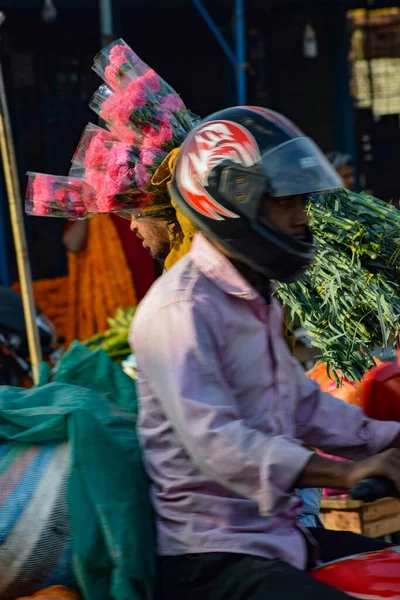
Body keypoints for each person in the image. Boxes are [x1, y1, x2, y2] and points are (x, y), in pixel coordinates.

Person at [130, 107, 400, 599]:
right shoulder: (180, 309)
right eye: (284, 202)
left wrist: (388, 441)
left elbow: (302, 405)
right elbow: (218, 443)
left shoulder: (255, 296)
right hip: (212, 558)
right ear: (233, 200)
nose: (300, 218)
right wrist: (344, 472)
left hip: (281, 537)